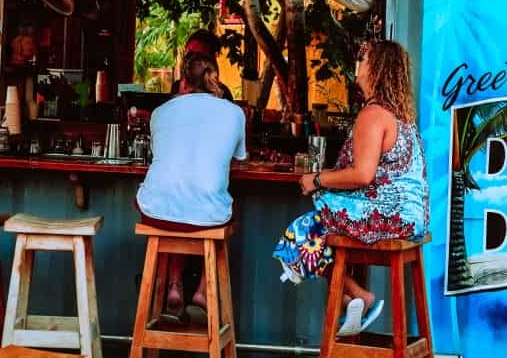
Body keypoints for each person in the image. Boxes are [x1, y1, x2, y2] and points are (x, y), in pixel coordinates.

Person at [276, 39, 427, 337]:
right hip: (411, 218)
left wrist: (317, 180)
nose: (359, 64)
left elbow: (362, 175)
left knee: (305, 231)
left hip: (390, 216)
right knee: (316, 229)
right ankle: (350, 298)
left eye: (364, 58)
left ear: (377, 69)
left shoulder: (372, 115)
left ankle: (358, 296)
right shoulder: (401, 117)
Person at [136, 49, 246, 316]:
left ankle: (174, 285)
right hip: (208, 215)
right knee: (222, 205)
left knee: (177, 204)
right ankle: (202, 289)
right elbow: (238, 158)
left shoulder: (160, 112)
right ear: (215, 80)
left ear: (183, 82)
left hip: (155, 211)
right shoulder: (234, 113)